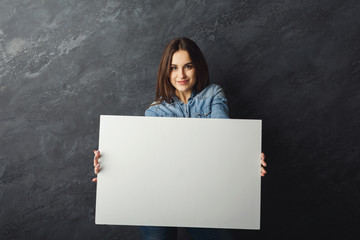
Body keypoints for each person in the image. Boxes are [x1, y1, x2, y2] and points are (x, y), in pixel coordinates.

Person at [92, 37, 267, 240]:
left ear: (198, 68)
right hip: (157, 200)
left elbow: (223, 139)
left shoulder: (213, 94)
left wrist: (248, 161)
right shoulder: (155, 110)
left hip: (204, 197)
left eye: (188, 66)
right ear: (166, 71)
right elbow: (146, 159)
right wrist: (112, 173)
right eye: (174, 68)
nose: (180, 75)